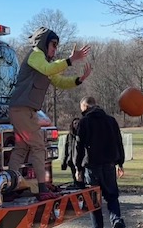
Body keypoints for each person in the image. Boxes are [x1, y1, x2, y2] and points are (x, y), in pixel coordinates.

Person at [8, 27, 91, 200]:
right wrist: (70, 60)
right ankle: (42, 188)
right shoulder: (35, 55)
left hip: (26, 110)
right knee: (38, 146)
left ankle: (10, 187)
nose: (55, 49)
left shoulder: (45, 63)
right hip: (22, 109)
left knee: (21, 149)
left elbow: (59, 81)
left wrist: (79, 80)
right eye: (53, 45)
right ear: (44, 43)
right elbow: (47, 69)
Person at [75, 97, 126, 228]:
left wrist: (78, 167)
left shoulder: (84, 122)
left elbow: (79, 147)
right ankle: (116, 221)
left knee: (94, 202)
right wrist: (120, 163)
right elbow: (118, 142)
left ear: (85, 106)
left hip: (92, 166)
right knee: (112, 198)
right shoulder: (111, 120)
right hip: (109, 165)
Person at [61, 118, 84, 188]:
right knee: (75, 177)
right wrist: (64, 163)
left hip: (80, 160)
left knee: (80, 178)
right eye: (75, 123)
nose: (76, 125)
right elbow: (66, 149)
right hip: (71, 160)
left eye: (78, 123)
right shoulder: (69, 136)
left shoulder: (82, 134)